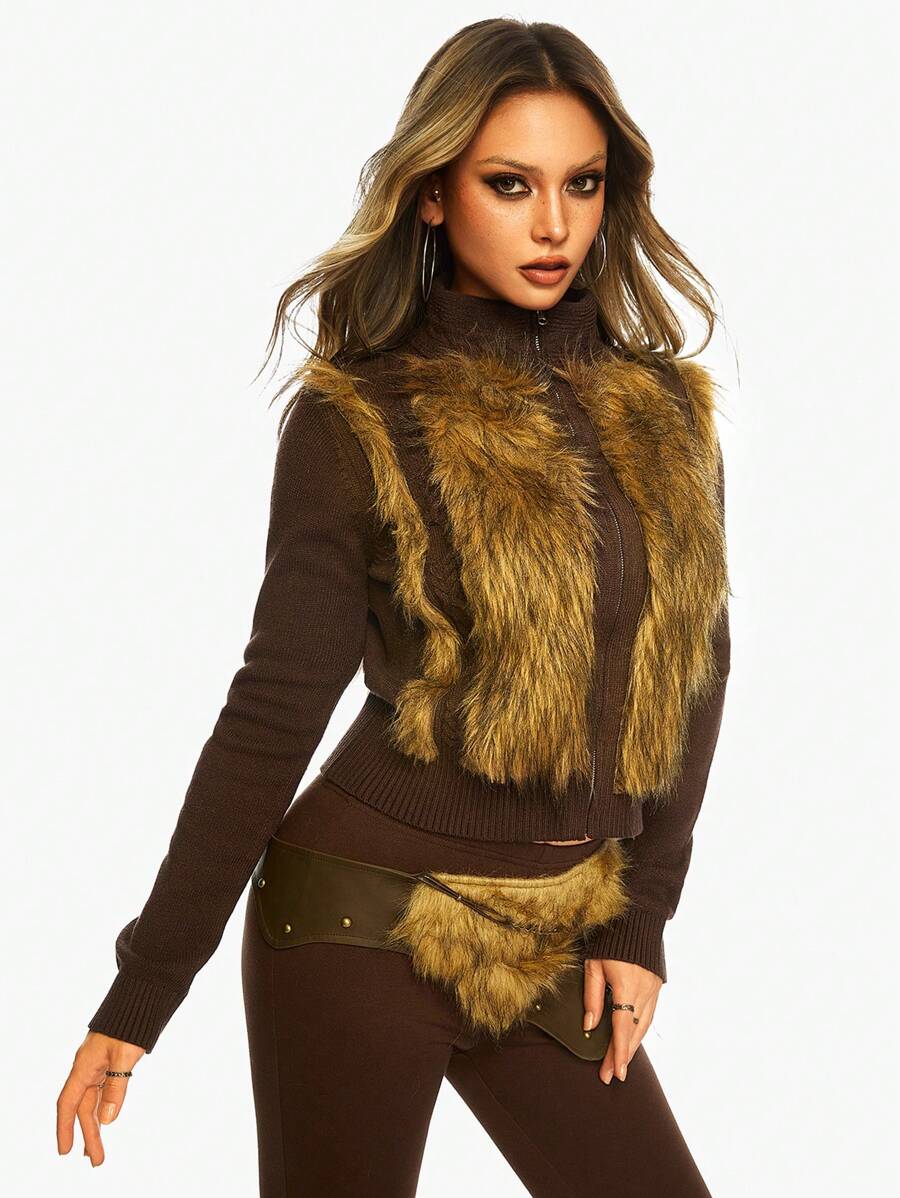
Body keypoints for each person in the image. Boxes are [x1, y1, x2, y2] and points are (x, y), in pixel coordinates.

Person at [57, 18, 732, 1196]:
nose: (553, 224)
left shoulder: (665, 410)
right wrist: (144, 987)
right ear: (432, 192)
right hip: (353, 919)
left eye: (581, 184)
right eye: (509, 184)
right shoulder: (356, 418)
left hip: (557, 930)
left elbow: (698, 666)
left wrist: (641, 919)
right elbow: (274, 709)